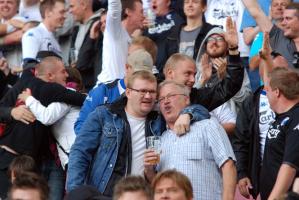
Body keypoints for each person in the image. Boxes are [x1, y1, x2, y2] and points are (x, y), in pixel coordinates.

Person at [67, 70, 203, 197]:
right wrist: (75, 194)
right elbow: (79, 153)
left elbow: (200, 110)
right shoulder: (104, 115)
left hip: (142, 195)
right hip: (106, 194)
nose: (148, 96)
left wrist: (188, 114)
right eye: (142, 91)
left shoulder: (158, 119)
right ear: (129, 92)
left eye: (152, 92)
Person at [0, 52, 85, 199]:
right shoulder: (51, 89)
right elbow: (85, 99)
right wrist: (13, 112)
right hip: (10, 161)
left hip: (20, 161)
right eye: (63, 72)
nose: (66, 75)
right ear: (50, 76)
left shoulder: (24, 83)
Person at [144, 80, 237, 199]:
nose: (166, 101)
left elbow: (228, 165)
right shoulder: (161, 139)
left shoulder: (208, 126)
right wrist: (148, 170)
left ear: (187, 99)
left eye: (171, 96)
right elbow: (158, 185)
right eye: (161, 99)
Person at [232, 32, 289, 199]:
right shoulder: (251, 103)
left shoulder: (294, 101)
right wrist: (242, 173)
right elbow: (241, 141)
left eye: (285, 70)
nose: (284, 74)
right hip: (264, 177)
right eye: (277, 69)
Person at [74, 45, 157, 134]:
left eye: (145, 74)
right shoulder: (102, 92)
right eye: (137, 72)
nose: (140, 77)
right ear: (127, 67)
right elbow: (80, 127)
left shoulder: (154, 94)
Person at [258, 67, 299, 200]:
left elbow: (290, 165)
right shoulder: (280, 117)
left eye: (267, 90)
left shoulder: (297, 116)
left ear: (277, 92)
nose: (265, 94)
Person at [96, 0, 145, 83]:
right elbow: (114, 6)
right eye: (141, 12)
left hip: (123, 90)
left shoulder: (133, 40)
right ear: (128, 12)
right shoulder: (115, 31)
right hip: (108, 89)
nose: (144, 16)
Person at [241, 0, 299, 68]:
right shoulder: (278, 38)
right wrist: (265, 53)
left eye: (288, 19)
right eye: (283, 19)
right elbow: (255, 11)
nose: (283, 23)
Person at [161, 0, 216, 71]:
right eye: (186, 2)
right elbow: (167, 63)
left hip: (202, 79)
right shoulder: (173, 34)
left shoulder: (211, 32)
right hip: (177, 80)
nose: (190, 5)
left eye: (195, 2)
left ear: (204, 7)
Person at [69, 0, 104, 90]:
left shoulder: (99, 25)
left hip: (92, 86)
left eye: (72, 6)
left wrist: (91, 39)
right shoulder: (76, 29)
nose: (70, 11)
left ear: (83, 5)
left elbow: (85, 61)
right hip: (80, 84)